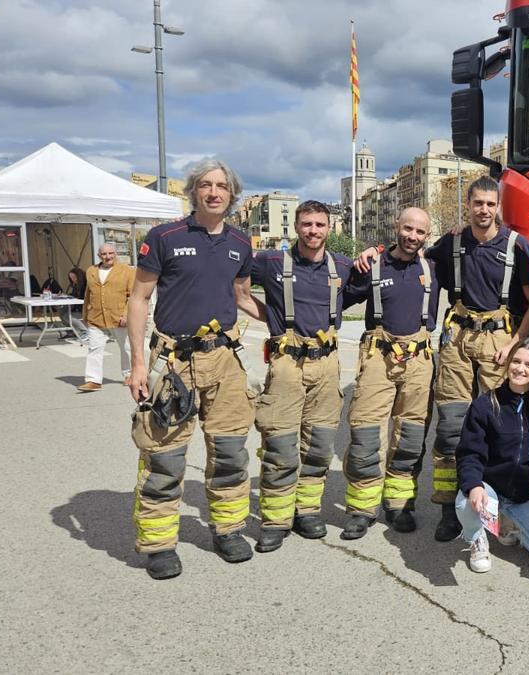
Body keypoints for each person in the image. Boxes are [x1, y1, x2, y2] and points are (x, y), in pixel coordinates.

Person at [126, 159, 261, 580]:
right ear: (194, 191)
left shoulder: (241, 242)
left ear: (232, 194)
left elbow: (241, 295)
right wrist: (136, 365)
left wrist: (289, 325)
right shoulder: (164, 237)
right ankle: (159, 544)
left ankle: (228, 529)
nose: (215, 192)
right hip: (174, 361)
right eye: (206, 185)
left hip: (224, 358)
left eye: (222, 185)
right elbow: (138, 298)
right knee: (164, 456)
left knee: (231, 452)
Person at [424, 176, 529, 542]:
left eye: (490, 204)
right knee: (451, 428)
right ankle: (449, 507)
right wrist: (373, 256)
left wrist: (516, 343)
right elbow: (411, 262)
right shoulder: (451, 243)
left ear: (499, 207)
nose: (484, 210)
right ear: (468, 205)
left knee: (498, 428)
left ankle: (494, 506)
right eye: (478, 204)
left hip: (499, 342)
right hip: (458, 340)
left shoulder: (518, 248)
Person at [247, 200, 358, 553]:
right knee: (280, 444)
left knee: (320, 444)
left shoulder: (341, 265)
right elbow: (234, 284)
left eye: (320, 225)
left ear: (329, 228)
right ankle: (276, 519)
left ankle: (307, 510)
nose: (313, 231)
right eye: (307, 224)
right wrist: (271, 317)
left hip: (327, 364)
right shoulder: (270, 262)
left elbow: (360, 291)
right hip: (286, 363)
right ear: (296, 226)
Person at [339, 207, 440, 539]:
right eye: (407, 228)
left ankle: (399, 505)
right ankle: (362, 508)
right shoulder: (372, 265)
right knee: (367, 434)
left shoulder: (433, 267)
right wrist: (362, 257)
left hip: (419, 360)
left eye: (420, 232)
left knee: (410, 437)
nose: (412, 236)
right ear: (396, 227)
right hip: (378, 358)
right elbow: (337, 299)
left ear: (427, 236)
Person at [454, 337, 529, 572]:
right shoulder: (485, 405)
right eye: (516, 361)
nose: (520, 369)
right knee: (465, 503)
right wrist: (474, 485)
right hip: (489, 489)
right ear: (508, 363)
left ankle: (512, 523)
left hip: (524, 495)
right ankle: (476, 538)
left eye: (528, 365)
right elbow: (469, 453)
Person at [77, 244, 134, 392]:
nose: (107, 256)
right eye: (104, 254)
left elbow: (132, 295)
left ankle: (129, 375)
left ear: (116, 254)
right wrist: (85, 315)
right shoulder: (91, 271)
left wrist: (127, 315)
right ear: (99, 256)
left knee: (126, 348)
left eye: (110, 253)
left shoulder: (127, 271)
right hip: (96, 317)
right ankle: (93, 380)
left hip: (119, 317)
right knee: (94, 348)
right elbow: (88, 294)